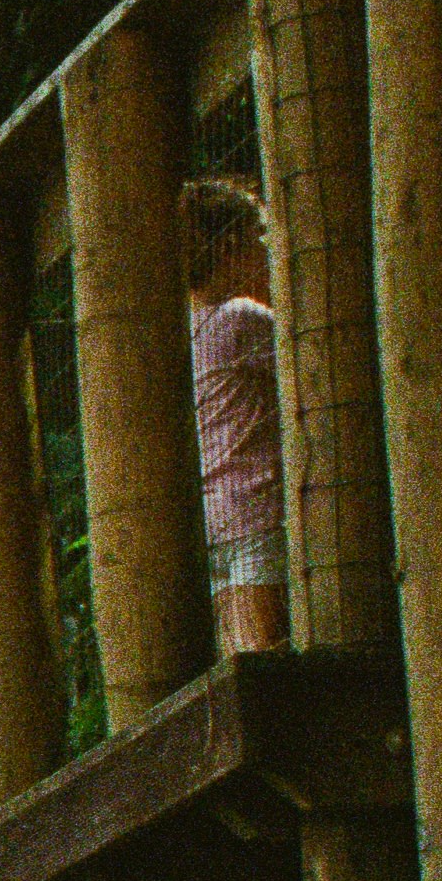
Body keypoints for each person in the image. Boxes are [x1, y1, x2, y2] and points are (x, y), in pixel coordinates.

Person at [186, 174, 287, 654]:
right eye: (261, 236)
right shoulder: (242, 319)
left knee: (241, 659)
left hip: (213, 520)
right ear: (230, 247)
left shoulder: (187, 326)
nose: (269, 248)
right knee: (268, 656)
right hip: (257, 514)